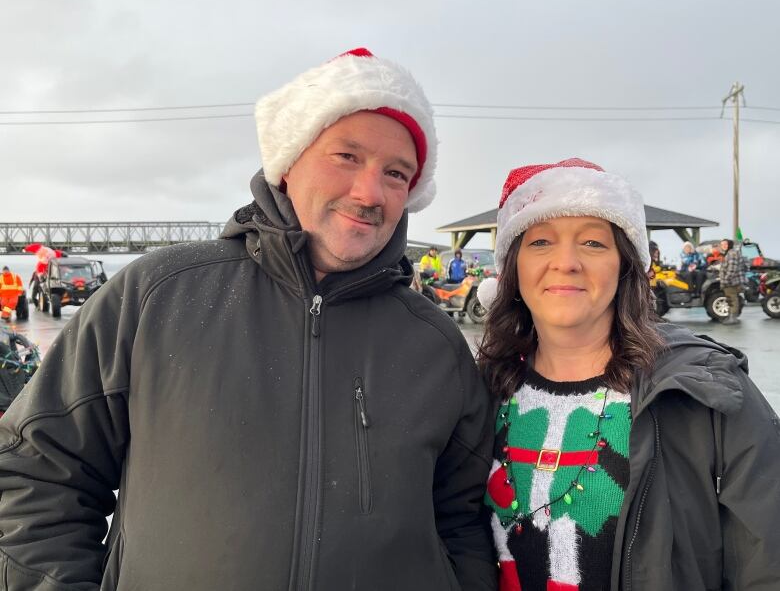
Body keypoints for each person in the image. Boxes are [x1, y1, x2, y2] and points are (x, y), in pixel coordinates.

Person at [0, 49, 498, 590]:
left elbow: (463, 523)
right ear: (289, 161)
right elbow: (40, 474)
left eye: (396, 173)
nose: (368, 193)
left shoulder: (436, 344)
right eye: (347, 157)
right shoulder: (157, 296)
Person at [475, 158, 780, 590]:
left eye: (594, 244)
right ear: (513, 267)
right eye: (541, 241)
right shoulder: (475, 392)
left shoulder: (705, 392)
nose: (566, 262)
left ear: (625, 266)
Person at [720, 237, 747, 325]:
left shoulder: (731, 254)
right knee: (731, 298)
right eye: (722, 244)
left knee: (732, 298)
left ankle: (733, 318)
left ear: (729, 245)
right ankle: (731, 316)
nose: (723, 246)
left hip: (731, 281)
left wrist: (726, 280)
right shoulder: (730, 253)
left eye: (725, 244)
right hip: (732, 281)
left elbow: (732, 269)